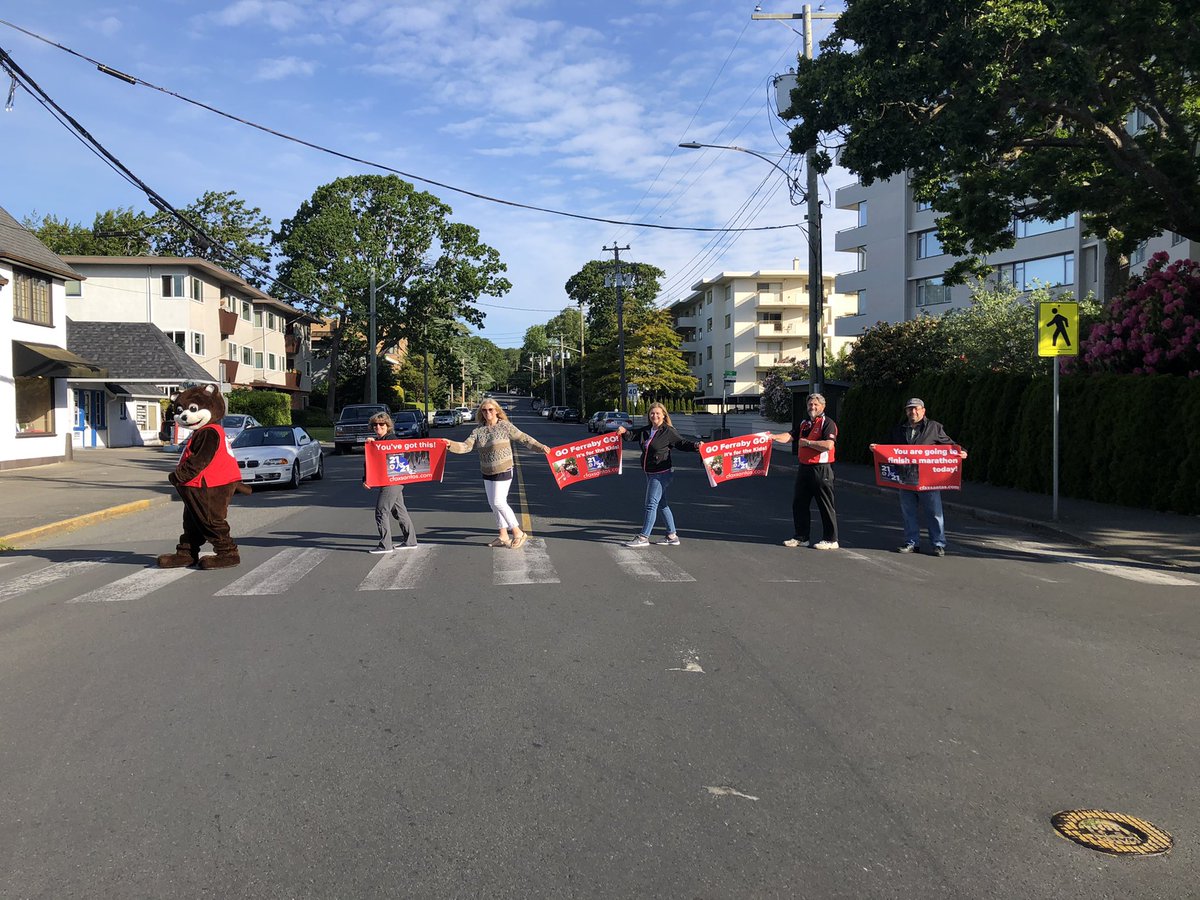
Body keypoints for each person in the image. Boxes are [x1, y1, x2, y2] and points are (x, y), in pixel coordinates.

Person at [445, 399, 549, 549]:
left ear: (497, 411)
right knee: (493, 505)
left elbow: (524, 438)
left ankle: (518, 532)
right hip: (487, 471)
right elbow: (466, 447)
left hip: (504, 469)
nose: (487, 413)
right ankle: (503, 535)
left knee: (499, 502)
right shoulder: (478, 431)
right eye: (484, 410)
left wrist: (540, 447)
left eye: (490, 410)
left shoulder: (505, 426)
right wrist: (450, 445)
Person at [870, 398, 969, 557]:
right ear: (906, 412)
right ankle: (911, 542)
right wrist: (877, 447)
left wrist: (961, 451)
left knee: (934, 513)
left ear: (923, 411)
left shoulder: (934, 427)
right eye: (909, 409)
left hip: (928, 479)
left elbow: (948, 444)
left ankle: (938, 544)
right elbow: (888, 447)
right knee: (908, 513)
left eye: (916, 409)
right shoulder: (899, 429)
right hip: (906, 478)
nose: (913, 412)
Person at [616, 402, 700, 547]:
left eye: (657, 413)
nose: (654, 415)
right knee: (662, 504)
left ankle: (643, 537)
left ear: (663, 415)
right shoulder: (647, 430)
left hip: (661, 473)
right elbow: (631, 436)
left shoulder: (668, 431)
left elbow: (682, 443)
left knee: (651, 504)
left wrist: (695, 446)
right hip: (650, 472)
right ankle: (672, 536)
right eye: (652, 413)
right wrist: (624, 431)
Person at [769, 392, 839, 550]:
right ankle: (801, 536)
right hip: (804, 468)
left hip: (822, 469)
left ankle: (831, 539)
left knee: (825, 505)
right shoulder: (805, 423)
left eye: (815, 404)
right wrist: (773, 437)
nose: (812, 407)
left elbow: (829, 445)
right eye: (810, 404)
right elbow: (791, 436)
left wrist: (807, 443)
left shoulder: (827, 423)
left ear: (823, 406)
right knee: (799, 503)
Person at [362, 412, 418, 554]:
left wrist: (374, 444)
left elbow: (393, 451)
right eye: (375, 425)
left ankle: (385, 545)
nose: (378, 427)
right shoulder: (375, 443)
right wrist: (366, 479)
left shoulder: (391, 440)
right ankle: (410, 540)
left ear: (388, 426)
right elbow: (371, 463)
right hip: (390, 480)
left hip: (393, 481)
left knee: (381, 511)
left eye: (382, 424)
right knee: (399, 510)